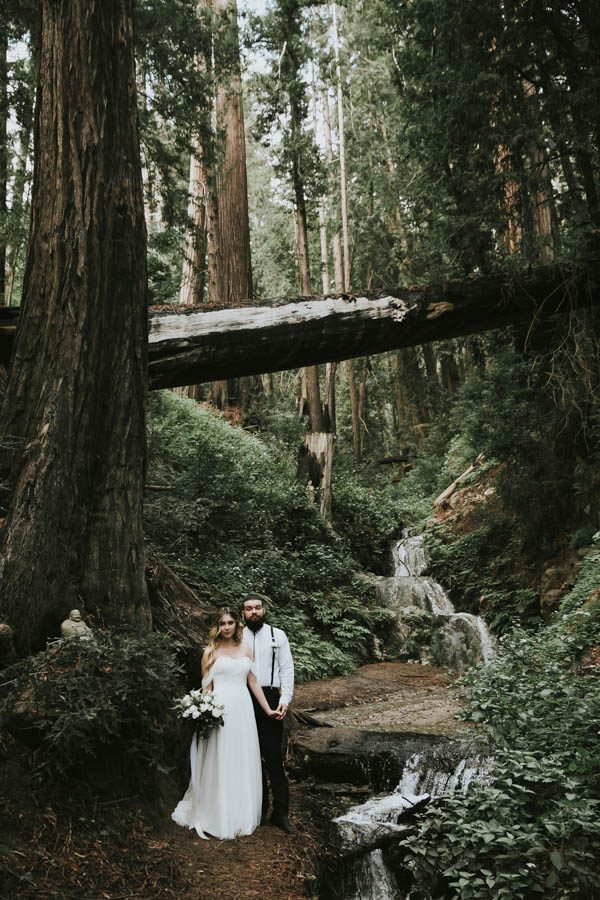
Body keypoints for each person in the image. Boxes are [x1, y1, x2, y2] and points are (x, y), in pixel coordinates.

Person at [171, 607, 277, 840]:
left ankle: (241, 814)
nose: (227, 627)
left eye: (230, 623)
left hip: (243, 710)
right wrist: (203, 712)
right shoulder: (209, 652)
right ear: (216, 627)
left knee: (241, 758)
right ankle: (218, 813)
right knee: (221, 758)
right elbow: (206, 688)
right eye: (222, 624)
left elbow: (254, 683)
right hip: (220, 711)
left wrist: (267, 709)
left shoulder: (246, 649)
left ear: (237, 625)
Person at [242, 594, 295, 834]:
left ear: (264, 610)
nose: (254, 612)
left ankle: (281, 813)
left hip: (272, 698)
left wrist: (285, 700)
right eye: (249, 609)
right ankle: (258, 810)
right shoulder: (237, 636)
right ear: (242, 613)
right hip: (243, 700)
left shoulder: (278, 635)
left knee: (273, 756)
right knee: (251, 756)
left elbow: (287, 669)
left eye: (257, 608)